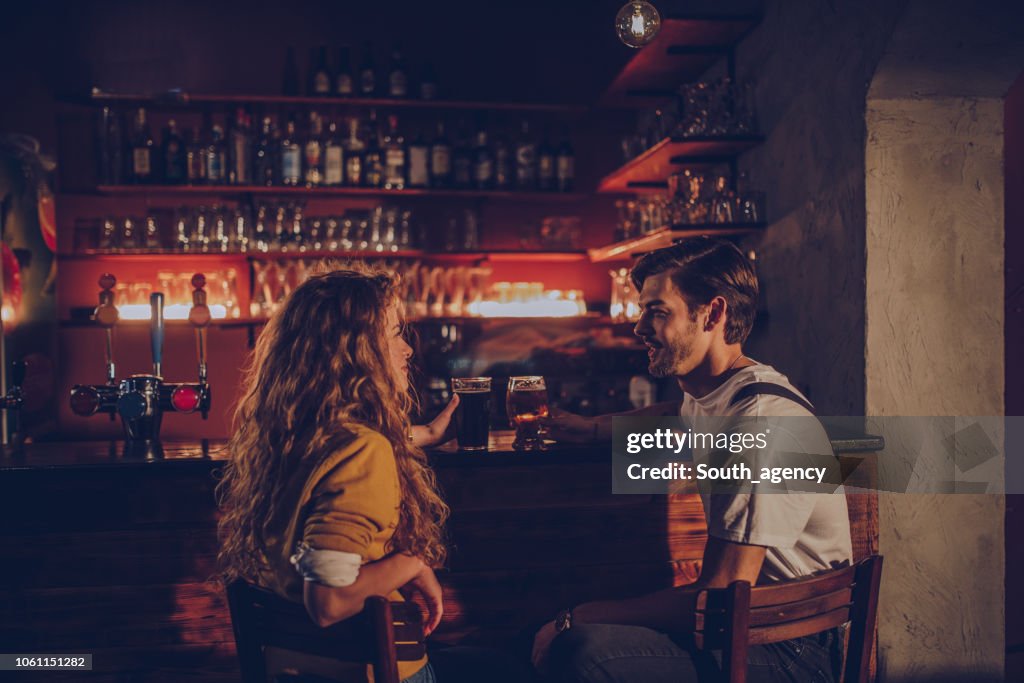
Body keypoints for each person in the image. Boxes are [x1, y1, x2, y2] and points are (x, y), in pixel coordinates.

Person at [532, 238, 853, 683]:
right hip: (756, 625)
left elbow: (721, 598)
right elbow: (673, 415)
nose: (639, 327)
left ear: (713, 314)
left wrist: (578, 615)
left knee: (585, 651)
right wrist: (589, 427)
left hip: (791, 647)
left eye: (657, 312)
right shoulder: (718, 392)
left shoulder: (760, 427)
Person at [216, 267, 520, 683]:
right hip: (371, 671)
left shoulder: (289, 436)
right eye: (395, 333)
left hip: (294, 669)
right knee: (517, 665)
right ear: (357, 350)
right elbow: (330, 602)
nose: (407, 351)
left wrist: (429, 433)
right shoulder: (363, 450)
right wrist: (414, 560)